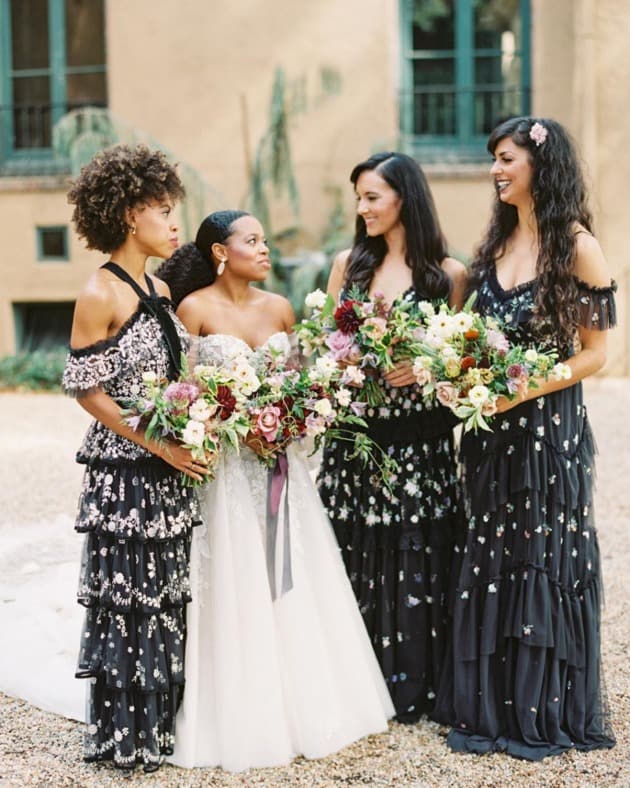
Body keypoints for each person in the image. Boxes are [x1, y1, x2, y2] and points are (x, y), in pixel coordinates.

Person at [155, 210, 394, 772]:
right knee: (237, 578)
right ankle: (243, 711)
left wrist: (291, 421)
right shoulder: (193, 310)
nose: (265, 249)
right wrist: (222, 422)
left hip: (281, 470)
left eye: (264, 240)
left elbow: (298, 384)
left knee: (295, 578)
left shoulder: (281, 308)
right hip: (228, 473)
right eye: (252, 240)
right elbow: (184, 392)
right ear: (220, 251)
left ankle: (307, 703)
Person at [432, 117, 617, 760]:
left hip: (546, 430)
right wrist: (454, 374)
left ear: (542, 163)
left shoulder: (577, 245)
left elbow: (596, 353)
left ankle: (547, 703)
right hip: (491, 431)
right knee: (491, 552)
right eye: (492, 160)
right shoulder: (497, 242)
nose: (495, 170)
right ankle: (491, 699)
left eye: (507, 158)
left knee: (543, 555)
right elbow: (464, 335)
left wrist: (525, 388)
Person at [61, 144, 208, 772]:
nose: (175, 223)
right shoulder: (100, 291)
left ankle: (162, 724)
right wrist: (159, 445)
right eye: (163, 210)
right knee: (131, 600)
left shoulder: (159, 284)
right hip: (126, 474)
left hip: (168, 465)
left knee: (166, 595)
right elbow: (85, 389)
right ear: (127, 215)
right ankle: (127, 737)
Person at [318, 151, 468, 722]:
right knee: (353, 546)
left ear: (405, 197)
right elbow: (325, 348)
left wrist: (425, 365)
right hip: (358, 438)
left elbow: (460, 365)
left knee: (418, 551)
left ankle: (414, 687)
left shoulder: (448, 276)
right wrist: (351, 358)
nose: (362, 208)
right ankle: (355, 686)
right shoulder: (348, 266)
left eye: (372, 196)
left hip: (420, 443)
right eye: (358, 197)